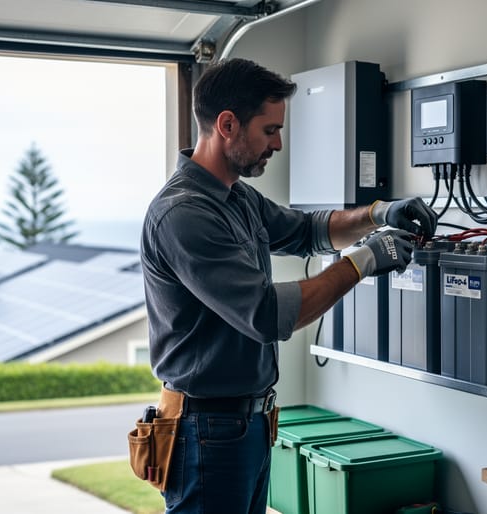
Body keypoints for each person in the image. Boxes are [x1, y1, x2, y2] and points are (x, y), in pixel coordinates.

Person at [140, 57, 437, 514]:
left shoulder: (237, 197)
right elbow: (266, 314)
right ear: (227, 125)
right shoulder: (184, 214)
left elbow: (308, 230)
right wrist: (366, 259)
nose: (278, 143)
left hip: (247, 426)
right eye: (270, 130)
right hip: (207, 430)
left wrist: (378, 212)